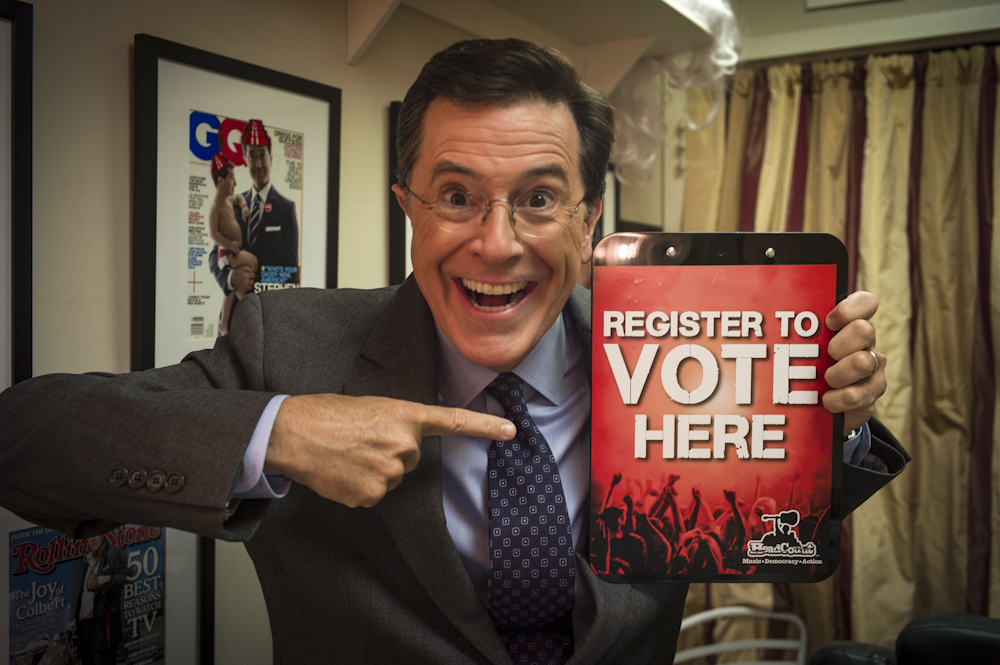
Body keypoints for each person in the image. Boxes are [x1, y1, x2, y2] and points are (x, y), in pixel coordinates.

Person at [0, 39, 907, 664]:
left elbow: (767, 523)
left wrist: (829, 418)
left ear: (593, 221)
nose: (497, 242)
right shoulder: (292, 342)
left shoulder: (677, 353)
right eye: (457, 194)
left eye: (541, 198)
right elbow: (26, 437)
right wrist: (276, 431)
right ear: (409, 210)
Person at [208, 119, 299, 329]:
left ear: (271, 158)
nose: (257, 164)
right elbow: (215, 255)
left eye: (262, 156)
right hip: (232, 325)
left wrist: (252, 279)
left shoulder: (286, 209)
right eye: (252, 156)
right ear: (245, 160)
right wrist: (231, 278)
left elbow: (291, 272)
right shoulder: (232, 204)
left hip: (268, 322)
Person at [208, 153, 258, 335]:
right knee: (251, 261)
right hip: (227, 253)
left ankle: (224, 322)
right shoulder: (216, 207)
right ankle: (245, 303)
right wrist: (228, 243)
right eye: (232, 179)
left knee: (231, 291)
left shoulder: (232, 200)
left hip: (234, 253)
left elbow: (238, 199)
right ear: (221, 180)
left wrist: (244, 206)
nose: (236, 183)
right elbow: (213, 234)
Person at [72, 534, 127, 665]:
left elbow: (125, 577)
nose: (92, 539)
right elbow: (84, 598)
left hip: (102, 630)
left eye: (95, 534)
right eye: (88, 536)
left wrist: (101, 581)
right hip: (84, 632)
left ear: (104, 532)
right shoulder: (87, 563)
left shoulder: (114, 553)